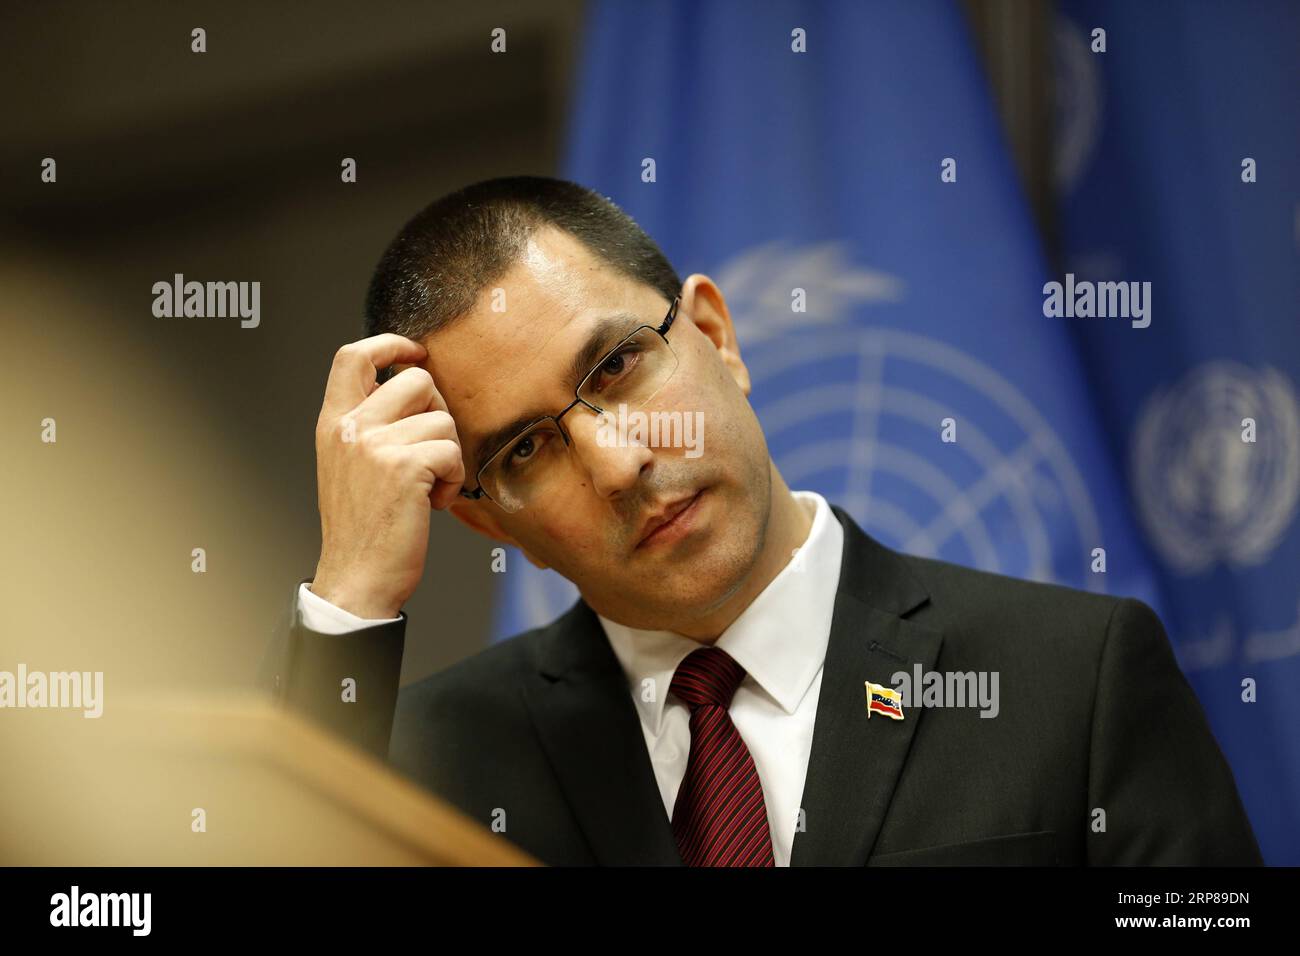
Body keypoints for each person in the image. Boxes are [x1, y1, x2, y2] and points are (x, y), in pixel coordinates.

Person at [259, 176, 1262, 866]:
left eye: (616, 367)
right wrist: (351, 595)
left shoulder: (1070, 679)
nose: (617, 462)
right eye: (524, 449)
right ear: (487, 523)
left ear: (713, 333)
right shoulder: (432, 758)